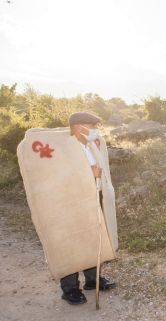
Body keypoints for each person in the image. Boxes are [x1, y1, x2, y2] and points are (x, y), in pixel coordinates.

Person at [60, 112, 116, 305]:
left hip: (92, 198)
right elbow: (61, 177)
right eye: (90, 126)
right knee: (72, 243)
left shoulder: (90, 146)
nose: (94, 131)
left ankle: (93, 280)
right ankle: (70, 289)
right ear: (77, 127)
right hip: (71, 203)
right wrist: (88, 172)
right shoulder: (65, 149)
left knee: (93, 238)